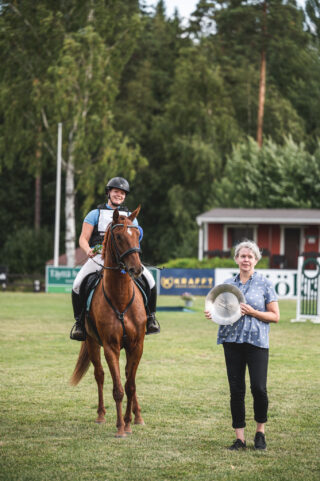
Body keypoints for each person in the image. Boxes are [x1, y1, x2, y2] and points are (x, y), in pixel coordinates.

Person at [205, 240, 280, 451]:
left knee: (259, 388)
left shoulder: (265, 283)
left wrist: (253, 312)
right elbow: (219, 311)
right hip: (232, 342)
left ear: (256, 260)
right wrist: (212, 314)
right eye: (242, 256)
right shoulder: (227, 285)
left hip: (257, 343)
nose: (246, 259)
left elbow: (275, 316)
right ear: (236, 259)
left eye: (250, 256)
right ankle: (240, 438)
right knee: (236, 390)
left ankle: (260, 433)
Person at [70, 176, 160, 341]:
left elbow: (135, 239)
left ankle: (151, 318)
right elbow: (83, 238)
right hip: (99, 257)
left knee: (150, 281)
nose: (119, 195)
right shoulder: (94, 214)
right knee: (77, 284)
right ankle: (80, 324)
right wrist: (88, 250)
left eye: (123, 193)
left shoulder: (130, 216)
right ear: (109, 193)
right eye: (116, 191)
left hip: (124, 259)